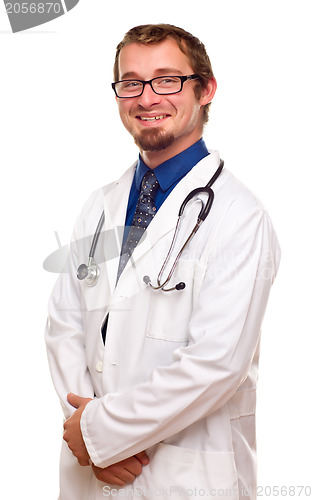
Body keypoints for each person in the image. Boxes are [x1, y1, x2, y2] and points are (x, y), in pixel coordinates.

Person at [45, 24, 280, 500]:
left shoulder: (240, 217)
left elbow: (216, 364)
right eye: (131, 82)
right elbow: (64, 326)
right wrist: (87, 429)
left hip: (185, 478)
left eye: (167, 79)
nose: (147, 97)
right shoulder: (99, 205)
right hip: (93, 475)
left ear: (205, 89)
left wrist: (104, 436)